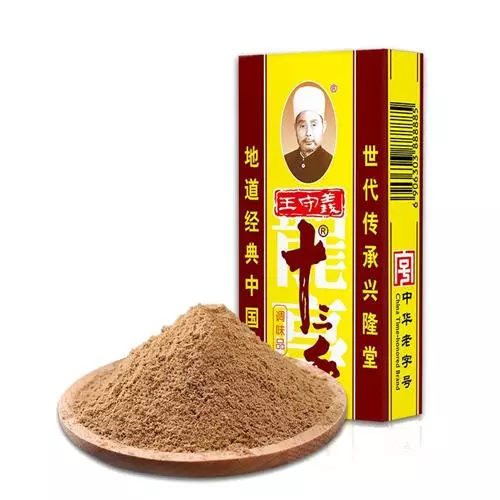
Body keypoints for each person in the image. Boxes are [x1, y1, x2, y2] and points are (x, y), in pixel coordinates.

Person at [284, 85, 332, 183]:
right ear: (295, 128)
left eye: (314, 125)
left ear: (323, 127)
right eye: (302, 126)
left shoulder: (331, 163)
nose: (308, 133)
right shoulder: (285, 161)